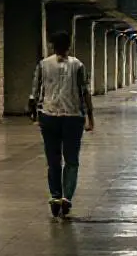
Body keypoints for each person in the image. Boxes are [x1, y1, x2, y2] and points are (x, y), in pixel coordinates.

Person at [28, 31, 95, 219]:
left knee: (53, 160)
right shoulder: (78, 65)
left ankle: (55, 196)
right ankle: (67, 197)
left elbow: (34, 92)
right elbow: (85, 92)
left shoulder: (43, 64)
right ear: (69, 45)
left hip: (49, 116)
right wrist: (90, 117)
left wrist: (34, 114)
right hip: (73, 117)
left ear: (52, 45)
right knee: (71, 160)